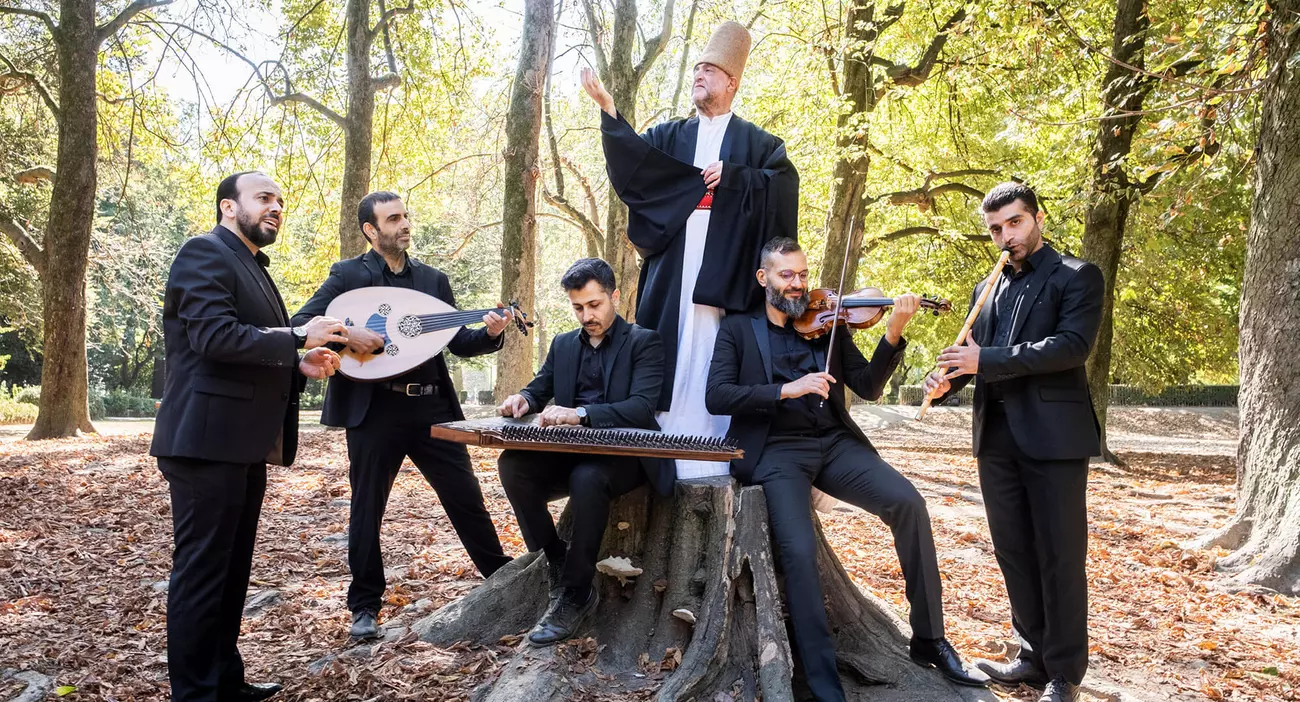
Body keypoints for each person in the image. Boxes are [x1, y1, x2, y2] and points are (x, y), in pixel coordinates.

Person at [706, 237, 987, 701]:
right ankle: (823, 684)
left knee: (908, 503)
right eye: (786, 276)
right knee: (798, 554)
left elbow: (869, 386)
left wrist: (893, 330)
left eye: (802, 275)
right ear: (764, 279)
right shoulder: (739, 330)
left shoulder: (828, 324)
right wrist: (786, 390)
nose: (797, 285)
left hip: (834, 443)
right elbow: (717, 395)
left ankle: (929, 639)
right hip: (776, 450)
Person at [151, 171, 344, 702]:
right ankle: (195, 694)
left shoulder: (252, 265)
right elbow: (212, 337)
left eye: (280, 200)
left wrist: (298, 360)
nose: (276, 207)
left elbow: (251, 345)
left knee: (231, 572)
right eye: (264, 198)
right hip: (203, 442)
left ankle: (224, 683)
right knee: (202, 573)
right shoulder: (204, 252)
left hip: (242, 445)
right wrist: (300, 335)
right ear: (227, 208)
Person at [580, 20, 798, 479]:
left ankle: (721, 447)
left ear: (731, 82)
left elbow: (783, 188)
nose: (699, 75)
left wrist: (737, 178)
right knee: (667, 344)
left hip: (728, 267)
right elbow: (635, 166)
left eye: (709, 70)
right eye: (696, 69)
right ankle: (659, 450)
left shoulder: (759, 144)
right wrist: (609, 110)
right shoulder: (670, 135)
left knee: (722, 349)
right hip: (674, 262)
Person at [291, 191, 513, 640]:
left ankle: (504, 581)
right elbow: (303, 321)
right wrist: (349, 335)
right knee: (367, 506)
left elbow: (458, 342)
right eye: (394, 218)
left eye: (406, 215)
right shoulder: (348, 276)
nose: (405, 224)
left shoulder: (433, 281)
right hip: (376, 410)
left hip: (431, 405)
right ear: (371, 230)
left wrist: (490, 333)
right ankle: (365, 605)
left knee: (466, 496)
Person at [923, 182, 1103, 702]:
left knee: (1060, 555)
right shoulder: (991, 284)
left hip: (1054, 439)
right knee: (1014, 552)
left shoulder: (1077, 275)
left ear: (1037, 218)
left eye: (1015, 223)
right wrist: (949, 380)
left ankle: (1065, 673)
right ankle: (1030, 655)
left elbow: (1071, 346)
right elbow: (975, 354)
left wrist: (984, 362)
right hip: (997, 438)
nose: (1006, 236)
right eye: (996, 229)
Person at [495, 258, 667, 645]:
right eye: (578, 307)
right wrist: (522, 399)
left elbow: (642, 407)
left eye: (594, 305)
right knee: (513, 465)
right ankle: (555, 558)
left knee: (587, 478)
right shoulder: (562, 345)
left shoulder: (645, 342)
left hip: (626, 457)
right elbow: (539, 388)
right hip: (571, 452)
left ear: (614, 296)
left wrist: (581, 413)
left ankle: (576, 592)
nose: (587, 315)